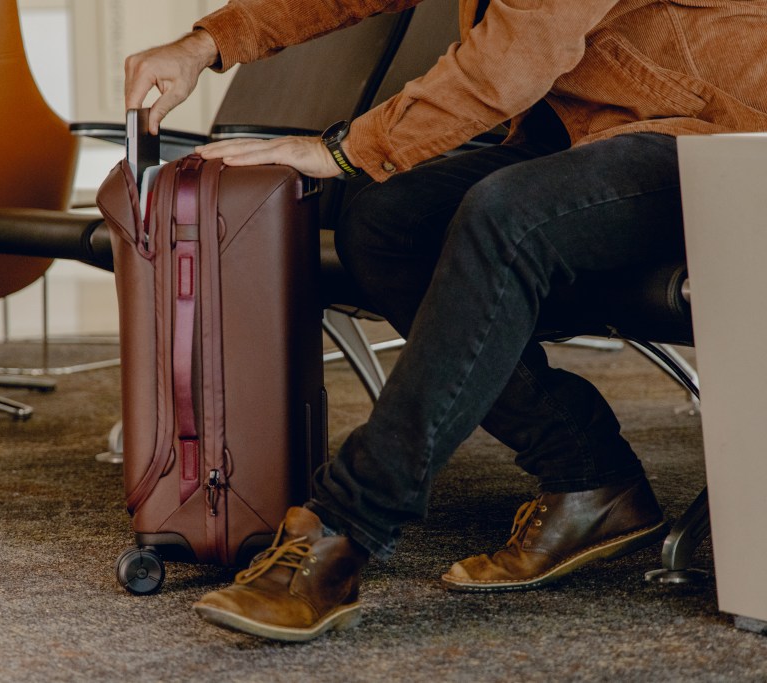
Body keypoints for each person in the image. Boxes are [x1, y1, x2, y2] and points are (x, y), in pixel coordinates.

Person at [124, 0, 767, 643]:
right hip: (594, 131)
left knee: (506, 216)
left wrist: (343, 150)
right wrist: (205, 43)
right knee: (386, 226)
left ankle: (343, 528)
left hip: (727, 135)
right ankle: (588, 472)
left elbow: (516, 55)